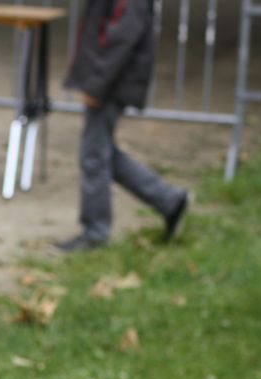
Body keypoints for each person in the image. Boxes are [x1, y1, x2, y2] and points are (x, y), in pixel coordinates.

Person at [55, 0, 190, 253]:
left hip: (113, 82)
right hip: (109, 79)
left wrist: (97, 85)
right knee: (100, 152)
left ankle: (96, 232)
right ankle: (169, 200)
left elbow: (122, 38)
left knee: (94, 156)